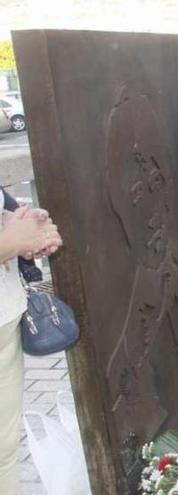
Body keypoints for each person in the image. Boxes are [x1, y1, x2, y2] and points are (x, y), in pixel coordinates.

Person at [0, 195, 62, 491]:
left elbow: (7, 207)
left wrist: (33, 225)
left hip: (5, 321)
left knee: (4, 454)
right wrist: (10, 243)